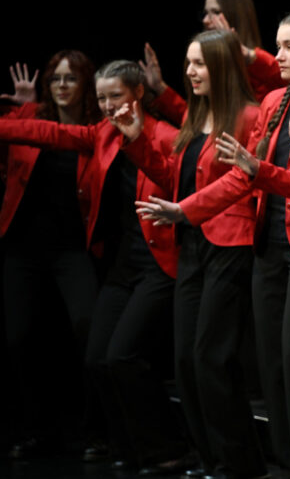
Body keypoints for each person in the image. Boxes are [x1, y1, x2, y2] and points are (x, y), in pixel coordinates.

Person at [138, 11, 290, 477]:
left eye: (289, 46)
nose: (280, 56)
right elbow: (242, 176)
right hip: (265, 241)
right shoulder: (273, 101)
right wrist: (186, 209)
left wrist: (256, 172)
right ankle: (288, 460)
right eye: (279, 45)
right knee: (271, 362)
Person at [1, 61, 188, 471]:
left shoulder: (167, 135)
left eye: (115, 96)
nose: (106, 106)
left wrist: (138, 137)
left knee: (122, 356)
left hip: (160, 260)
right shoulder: (104, 132)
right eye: (101, 98)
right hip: (123, 265)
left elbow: (178, 184)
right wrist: (6, 125)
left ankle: (167, 448)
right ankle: (129, 447)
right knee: (96, 358)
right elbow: (51, 132)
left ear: (136, 95)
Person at [114, 29, 265, 478]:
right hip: (195, 243)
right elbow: (176, 178)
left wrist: (185, 210)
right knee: (185, 360)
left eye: (199, 63)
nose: (190, 72)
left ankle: (239, 462)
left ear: (219, 66)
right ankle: (212, 457)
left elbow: (242, 181)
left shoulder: (248, 116)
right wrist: (137, 138)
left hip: (230, 243)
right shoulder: (195, 118)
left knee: (212, 358)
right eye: (189, 63)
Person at [3, 50, 101, 459]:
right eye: (56, 79)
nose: (62, 85)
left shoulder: (95, 130)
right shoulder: (30, 120)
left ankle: (92, 429)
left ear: (84, 86)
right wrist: (25, 105)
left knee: (86, 330)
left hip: (73, 249)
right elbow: (8, 134)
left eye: (70, 79)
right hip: (22, 248)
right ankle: (36, 429)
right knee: (21, 338)